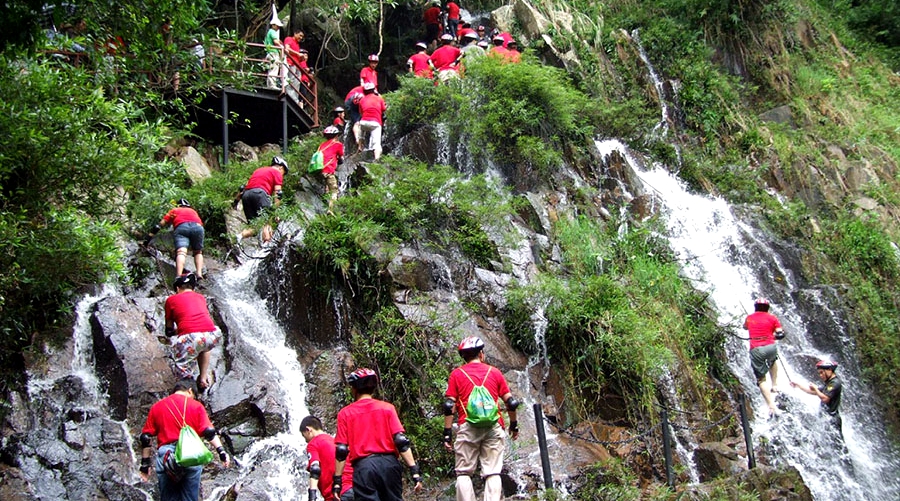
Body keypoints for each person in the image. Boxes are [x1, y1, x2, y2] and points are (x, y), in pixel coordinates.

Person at [443, 337, 519, 501]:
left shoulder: (457, 374)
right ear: (481, 354)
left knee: (463, 472)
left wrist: (447, 433)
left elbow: (449, 406)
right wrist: (514, 425)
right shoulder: (494, 372)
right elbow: (511, 402)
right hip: (493, 426)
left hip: (468, 426)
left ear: (464, 357)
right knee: (492, 471)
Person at [334, 368, 423, 501]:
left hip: (364, 468)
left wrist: (337, 481)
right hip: (390, 464)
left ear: (354, 389)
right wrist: (414, 471)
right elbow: (401, 441)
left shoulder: (345, 413)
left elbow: (341, 450)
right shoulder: (387, 408)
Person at [138, 379, 230, 501]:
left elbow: (146, 438)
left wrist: (145, 465)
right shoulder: (196, 406)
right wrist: (222, 452)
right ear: (190, 390)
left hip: (166, 455)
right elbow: (209, 432)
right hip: (190, 455)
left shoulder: (157, 407)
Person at [164, 272, 220, 389]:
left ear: (178, 288)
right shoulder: (200, 297)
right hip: (212, 335)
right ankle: (203, 378)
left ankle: (187, 388)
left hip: (192, 337)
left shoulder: (170, 300)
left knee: (182, 370)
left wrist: (175, 331)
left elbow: (169, 331)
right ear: (193, 288)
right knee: (203, 345)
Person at [743, 297, 785, 418]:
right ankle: (775, 385)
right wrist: (773, 336)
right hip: (771, 346)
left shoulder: (750, 317)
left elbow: (745, 327)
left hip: (756, 349)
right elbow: (780, 333)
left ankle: (771, 405)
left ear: (755, 307)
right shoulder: (772, 318)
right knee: (773, 362)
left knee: (761, 379)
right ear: (767, 308)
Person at [145, 198, 205, 279]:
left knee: (181, 252)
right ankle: (199, 273)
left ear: (178, 205)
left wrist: (147, 240)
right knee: (198, 252)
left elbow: (159, 225)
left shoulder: (174, 210)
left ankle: (179, 275)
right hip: (198, 227)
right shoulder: (193, 211)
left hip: (182, 227)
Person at [301, 415, 355, 501]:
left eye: (304, 436)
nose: (305, 441)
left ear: (308, 430)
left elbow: (315, 469)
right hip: (354, 488)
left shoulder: (313, 444)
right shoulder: (335, 441)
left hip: (337, 493)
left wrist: (312, 496)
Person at [236, 156, 289, 243]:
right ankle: (266, 247)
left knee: (255, 226)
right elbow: (278, 193)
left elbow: (243, 189)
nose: (283, 175)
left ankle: (239, 236)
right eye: (284, 172)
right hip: (259, 194)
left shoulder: (259, 170)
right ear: (281, 167)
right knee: (268, 222)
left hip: (246, 196)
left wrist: (235, 202)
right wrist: (276, 212)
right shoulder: (277, 172)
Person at [791, 360, 843, 433]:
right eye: (819, 373)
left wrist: (815, 388)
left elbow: (825, 398)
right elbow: (813, 391)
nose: (821, 376)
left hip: (832, 419)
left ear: (829, 370)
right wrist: (798, 385)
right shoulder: (829, 383)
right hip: (826, 418)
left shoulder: (835, 383)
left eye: (822, 372)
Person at [317, 126, 345, 213]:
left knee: (327, 186)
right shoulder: (338, 144)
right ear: (336, 136)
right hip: (328, 170)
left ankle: (326, 195)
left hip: (320, 170)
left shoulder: (321, 145)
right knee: (334, 191)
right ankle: (331, 210)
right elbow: (341, 155)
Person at [356, 83, 387, 160]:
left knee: (361, 129)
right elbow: (384, 109)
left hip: (364, 122)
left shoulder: (362, 100)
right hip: (375, 123)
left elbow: (361, 113)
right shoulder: (379, 99)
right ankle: (376, 159)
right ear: (373, 90)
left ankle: (360, 145)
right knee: (377, 144)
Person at [284, 27, 306, 104]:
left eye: (302, 36)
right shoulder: (289, 39)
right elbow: (287, 49)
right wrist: (298, 54)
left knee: (297, 83)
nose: (301, 38)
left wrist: (301, 58)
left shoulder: (297, 44)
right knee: (291, 80)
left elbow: (296, 56)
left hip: (297, 65)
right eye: (300, 35)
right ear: (295, 33)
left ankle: (295, 99)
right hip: (291, 63)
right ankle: (291, 97)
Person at [264, 12, 284, 89]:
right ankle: (272, 85)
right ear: (273, 25)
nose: (278, 27)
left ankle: (269, 85)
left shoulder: (269, 32)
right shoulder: (272, 31)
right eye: (277, 26)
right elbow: (275, 42)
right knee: (274, 69)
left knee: (271, 69)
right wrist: (281, 46)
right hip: (273, 53)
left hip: (270, 53)